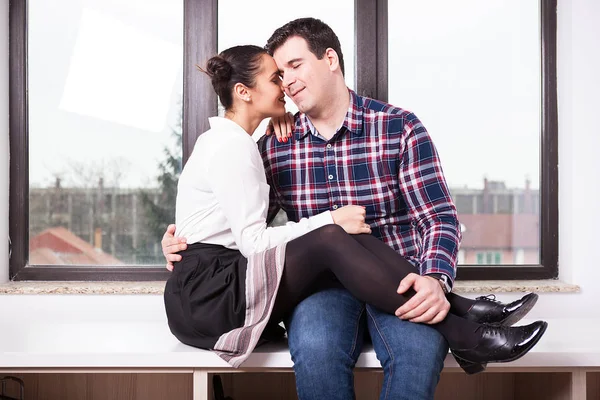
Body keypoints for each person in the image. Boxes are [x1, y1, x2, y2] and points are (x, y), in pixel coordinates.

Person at [162, 19, 546, 400]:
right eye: (278, 75)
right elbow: (245, 227)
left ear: (330, 59)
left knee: (417, 354)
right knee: (317, 351)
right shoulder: (273, 144)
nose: (287, 82)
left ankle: (462, 324)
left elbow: (439, 218)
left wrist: (436, 279)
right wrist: (184, 241)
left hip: (402, 275)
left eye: (294, 66)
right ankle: (468, 322)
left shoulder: (399, 126)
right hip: (321, 287)